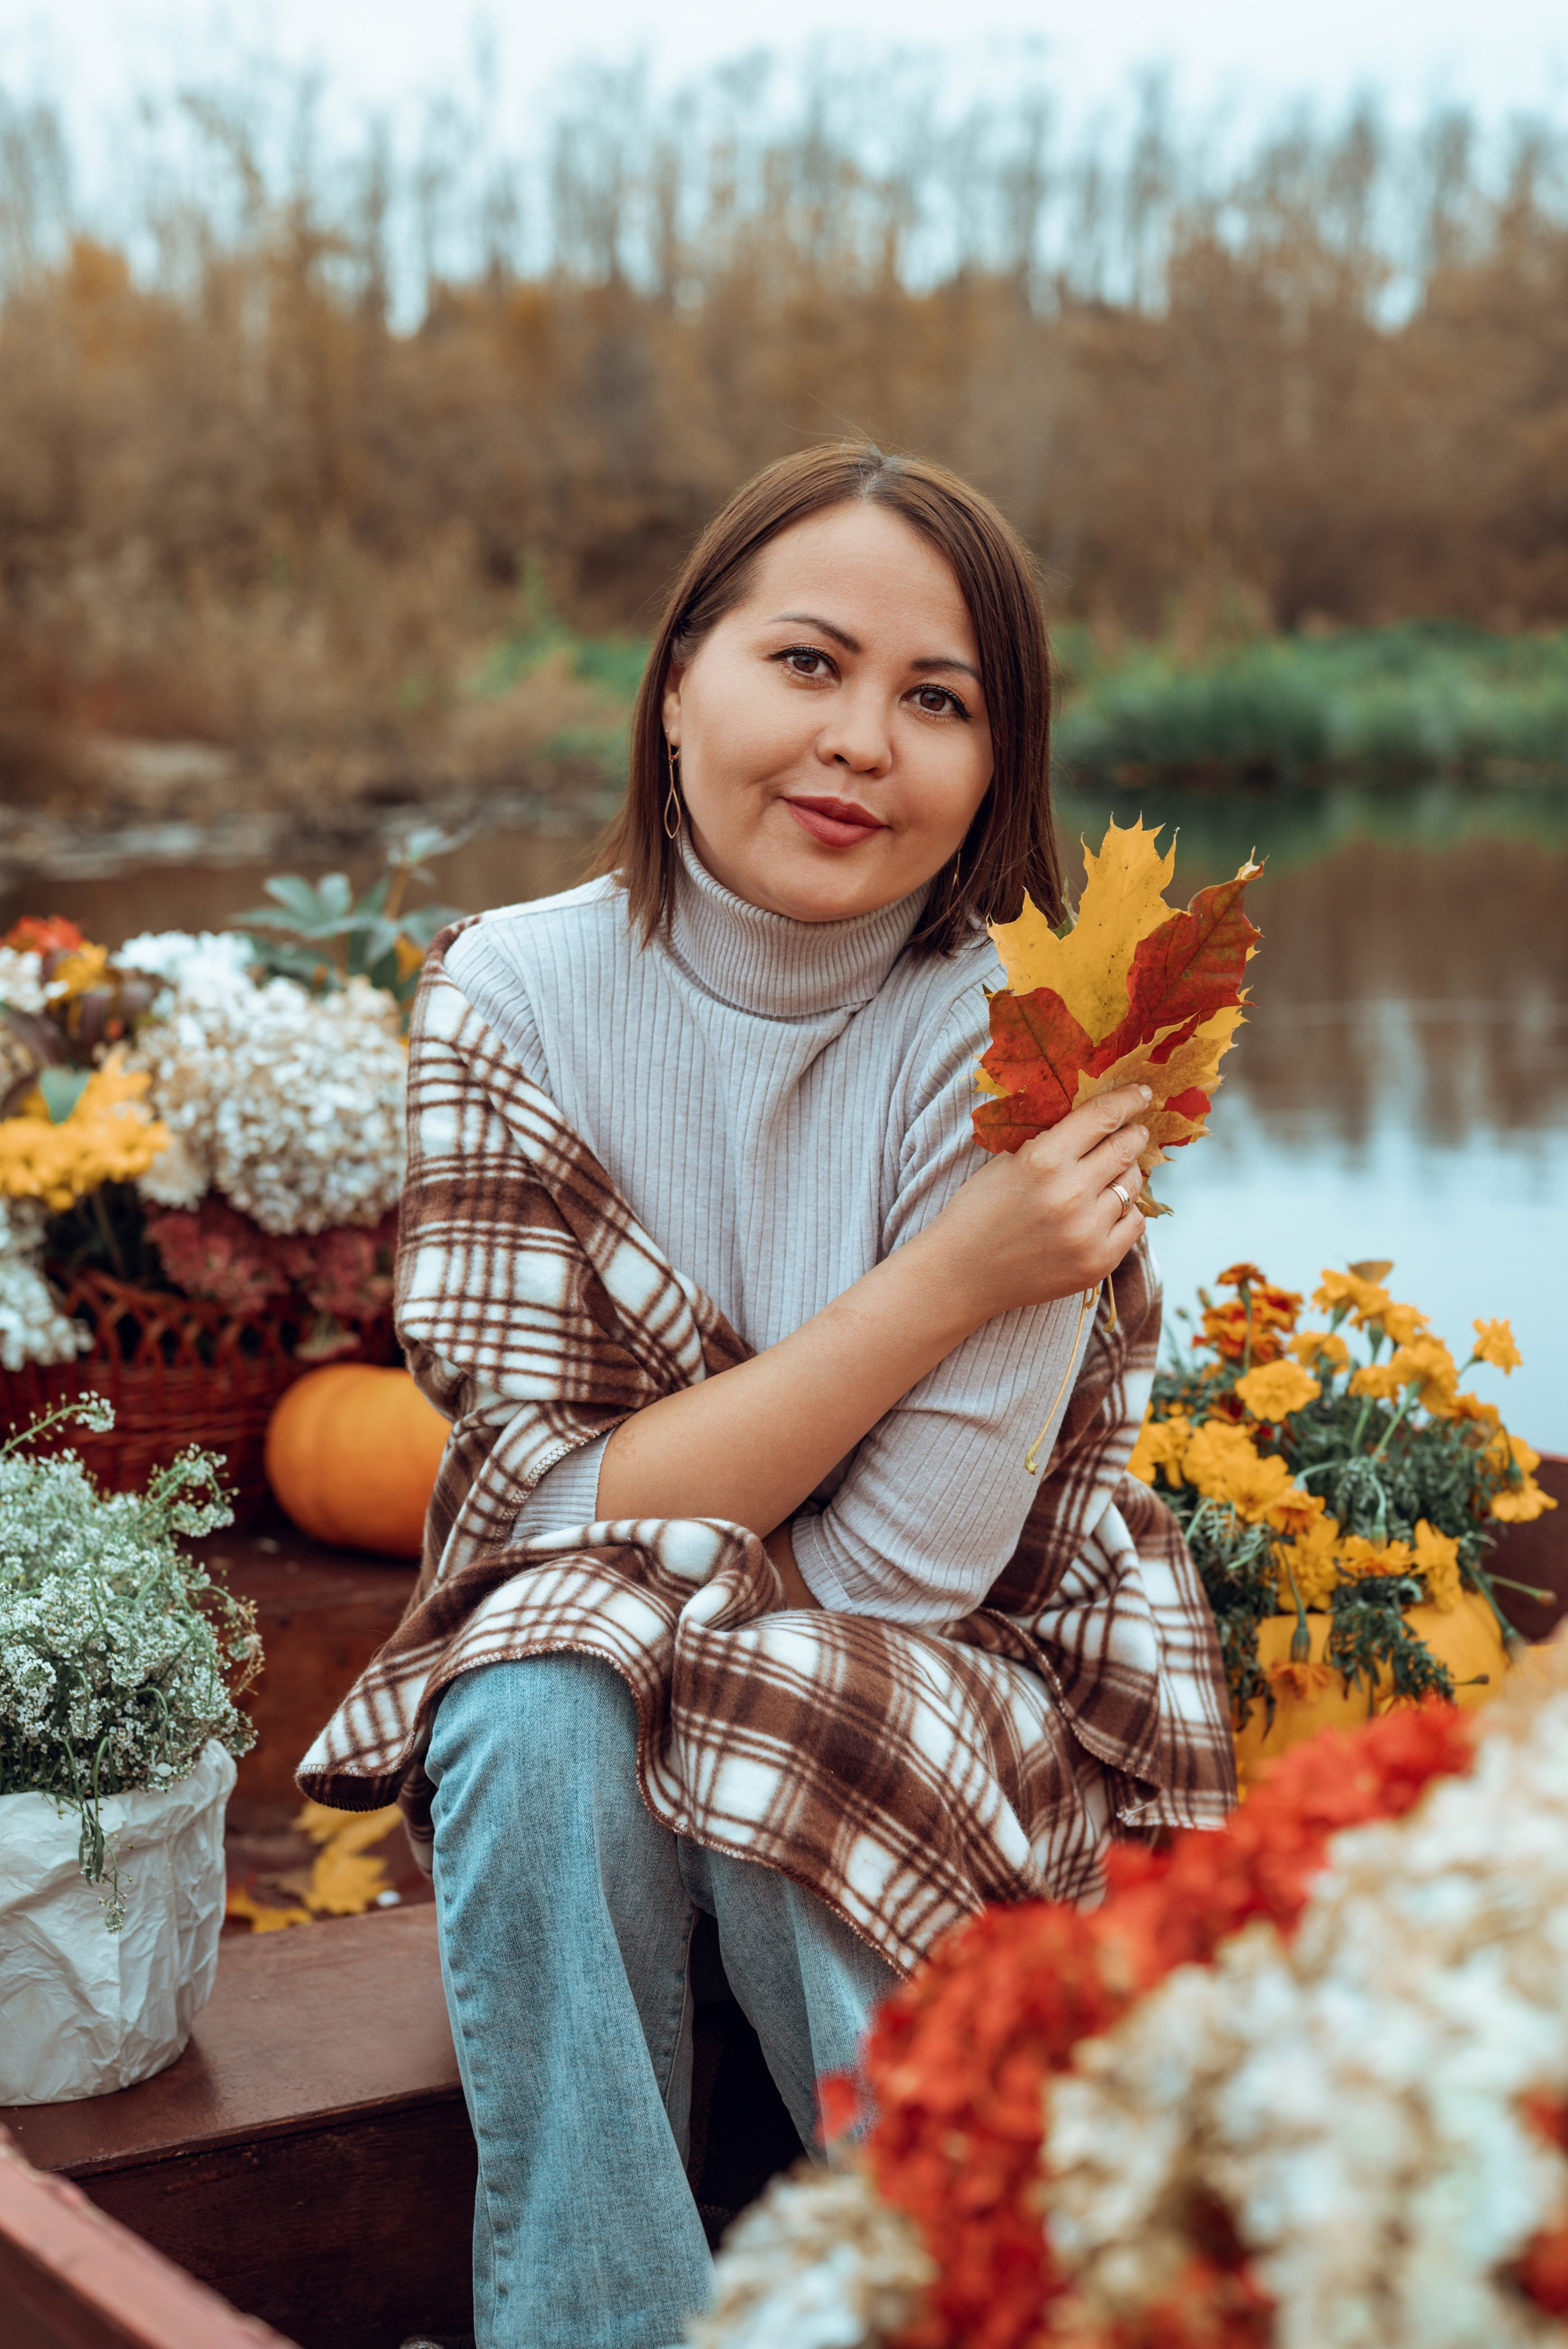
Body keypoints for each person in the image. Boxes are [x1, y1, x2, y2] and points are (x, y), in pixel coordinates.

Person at [301, 444, 1234, 2349]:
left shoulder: (1027, 1045)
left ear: (995, 766)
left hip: (968, 1652)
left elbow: (906, 1574)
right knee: (540, 1697)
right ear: (677, 688)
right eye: (807, 662)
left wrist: (666, 1491)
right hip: (615, 1624)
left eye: (937, 699)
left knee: (804, 1696)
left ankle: (913, 2303)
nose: (862, 742)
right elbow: (554, 1513)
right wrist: (952, 1278)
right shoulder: (510, 995)